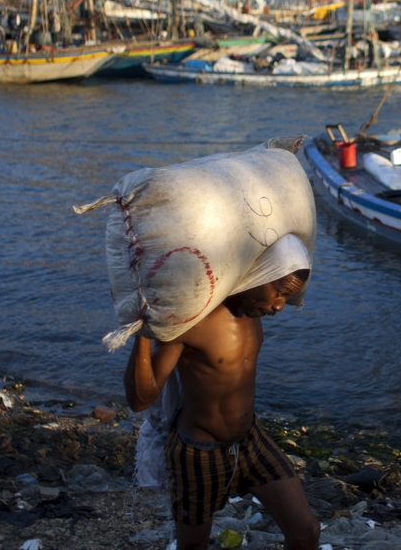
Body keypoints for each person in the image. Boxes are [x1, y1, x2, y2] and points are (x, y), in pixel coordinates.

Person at [125, 235, 320, 550]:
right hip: (199, 453)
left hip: (250, 439)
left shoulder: (252, 312)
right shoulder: (194, 319)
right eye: (279, 293)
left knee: (306, 532)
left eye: (287, 297)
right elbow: (140, 399)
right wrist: (143, 333)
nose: (280, 306)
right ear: (260, 275)